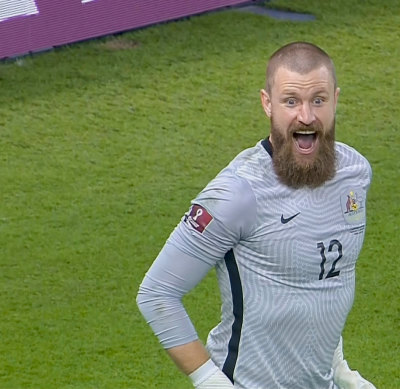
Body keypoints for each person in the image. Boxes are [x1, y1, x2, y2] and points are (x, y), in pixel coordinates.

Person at [137, 41, 376, 389]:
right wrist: (211, 384)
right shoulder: (237, 193)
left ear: (336, 100)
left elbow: (322, 284)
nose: (306, 116)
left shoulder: (355, 173)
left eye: (318, 100)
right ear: (267, 103)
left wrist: (338, 367)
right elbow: (157, 293)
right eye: (291, 101)